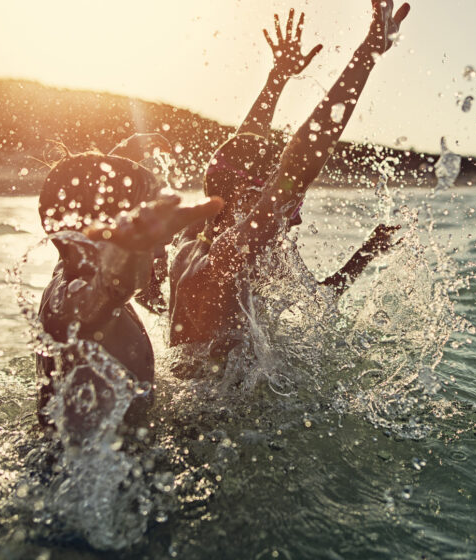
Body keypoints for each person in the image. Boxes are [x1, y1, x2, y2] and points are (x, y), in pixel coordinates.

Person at [168, 1, 411, 358]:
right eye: (290, 202)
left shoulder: (194, 239)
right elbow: (298, 165)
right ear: (249, 199)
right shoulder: (229, 254)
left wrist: (277, 78)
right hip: (218, 412)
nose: (295, 217)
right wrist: (368, 53)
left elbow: (237, 160)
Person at [35, 148, 222, 439]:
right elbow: (110, 291)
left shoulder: (66, 271)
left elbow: (81, 227)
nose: (167, 241)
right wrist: (133, 249)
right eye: (144, 222)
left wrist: (116, 158)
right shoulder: (76, 303)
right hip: (98, 480)